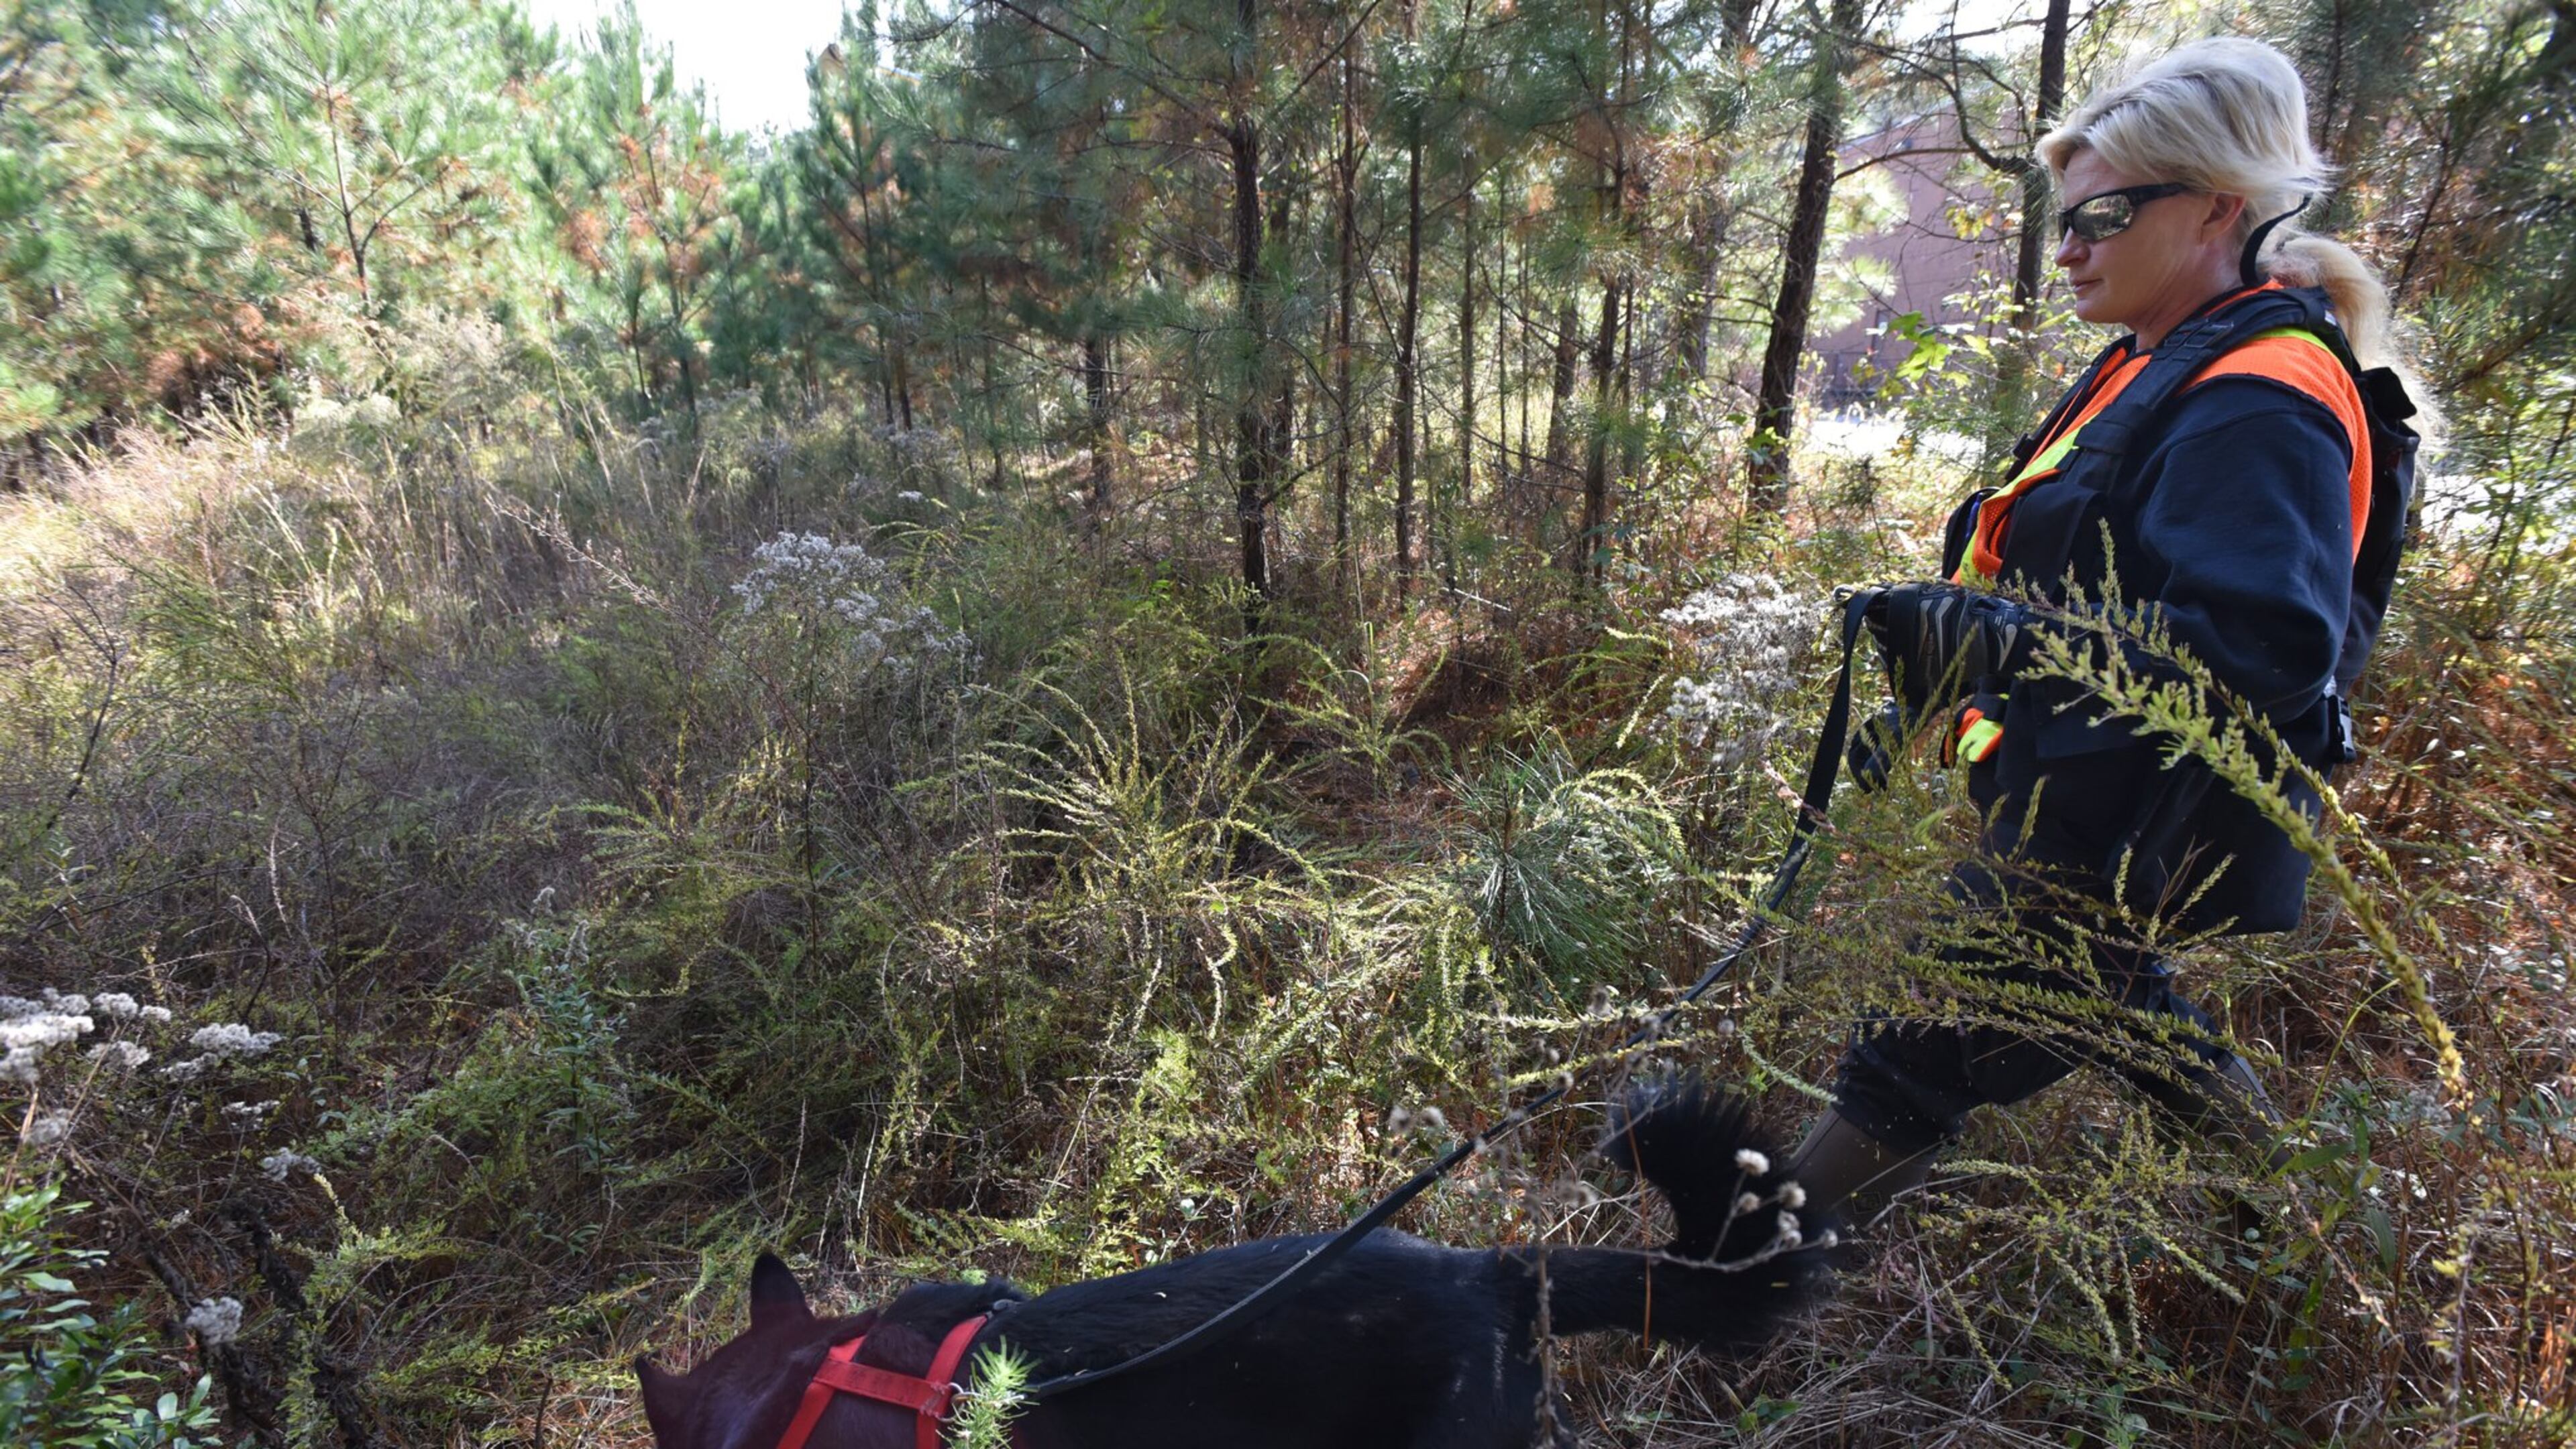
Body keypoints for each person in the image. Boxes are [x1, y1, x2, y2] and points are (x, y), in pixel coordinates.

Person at [1784, 37, 2422, 1224]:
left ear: (2218, 207)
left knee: (1914, 1059)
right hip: (2086, 793)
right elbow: (2085, 584)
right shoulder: (2157, 359)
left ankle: (1721, 1293)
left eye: (2104, 215)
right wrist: (1930, 683)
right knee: (2128, 1010)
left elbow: (2260, 650)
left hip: (2125, 821)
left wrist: (1984, 644)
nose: (2068, 248)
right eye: (2063, 218)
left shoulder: (2257, 395)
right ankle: (2308, 1238)